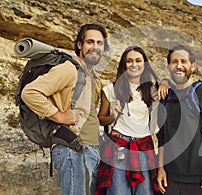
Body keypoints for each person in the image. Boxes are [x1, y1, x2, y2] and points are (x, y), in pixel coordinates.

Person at [21, 24, 109, 195]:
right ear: (79, 45)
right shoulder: (69, 69)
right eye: (90, 42)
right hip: (73, 148)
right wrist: (59, 116)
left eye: (100, 43)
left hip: (91, 150)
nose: (95, 47)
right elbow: (30, 92)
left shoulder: (94, 77)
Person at [156, 45, 202, 195]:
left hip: (200, 180)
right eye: (174, 62)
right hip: (170, 179)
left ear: (192, 66)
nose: (179, 66)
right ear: (169, 67)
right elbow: (162, 136)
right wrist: (160, 168)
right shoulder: (166, 97)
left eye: (184, 61)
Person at [96, 46, 162, 195]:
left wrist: (164, 82)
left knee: (145, 191)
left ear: (144, 64)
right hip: (118, 144)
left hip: (144, 145)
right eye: (129, 61)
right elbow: (100, 119)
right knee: (118, 191)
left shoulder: (152, 89)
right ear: (123, 65)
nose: (134, 65)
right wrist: (113, 115)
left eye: (138, 60)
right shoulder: (111, 89)